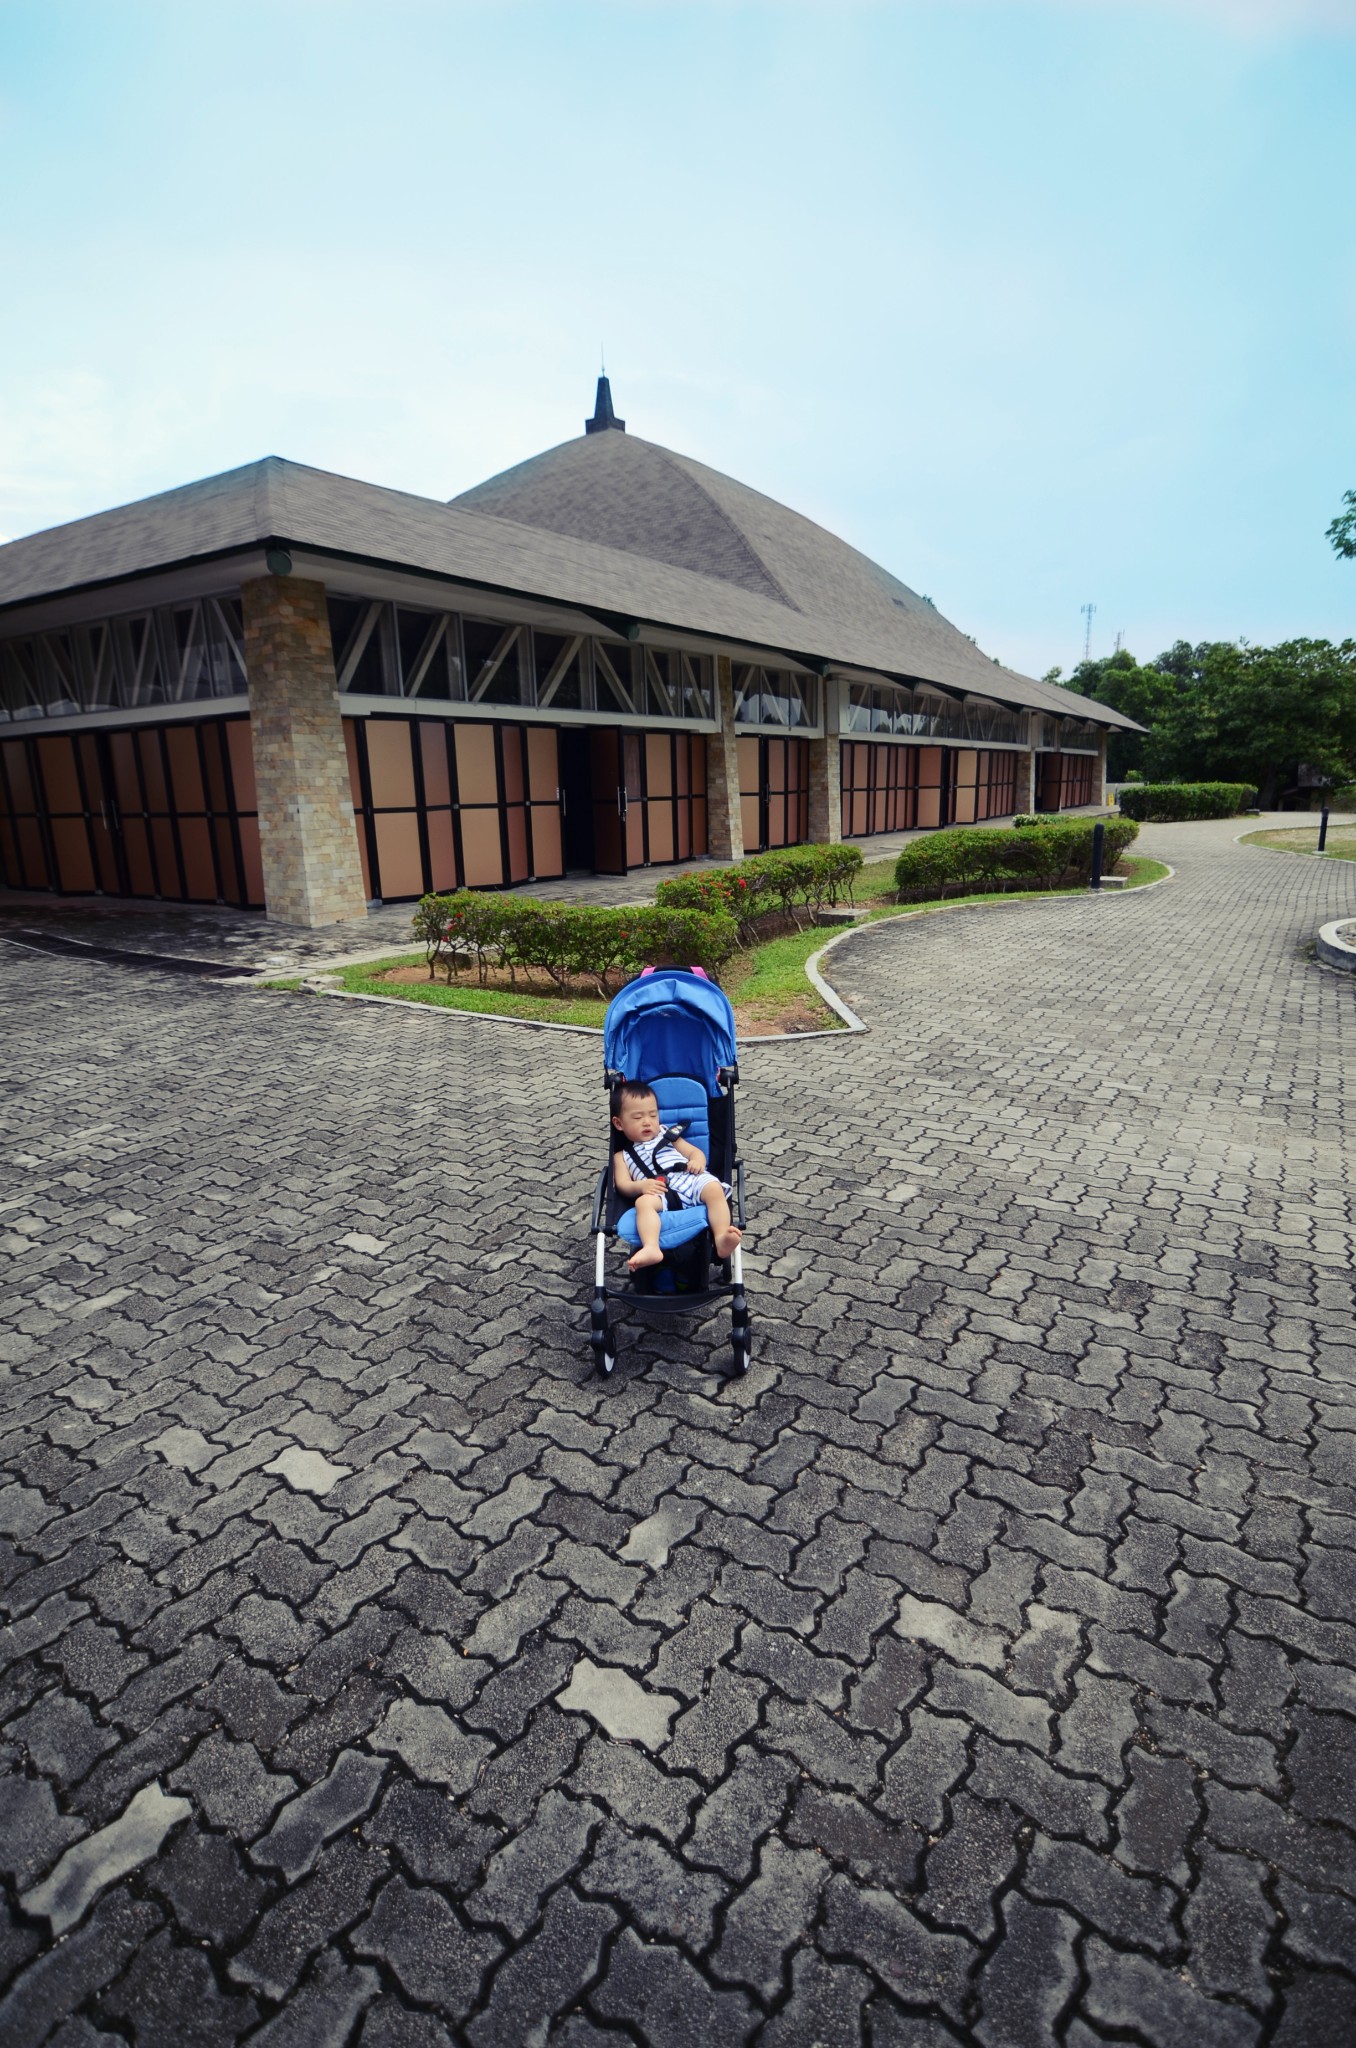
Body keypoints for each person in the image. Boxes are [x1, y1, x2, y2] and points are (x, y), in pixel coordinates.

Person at [611, 1081, 743, 1272]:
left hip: (688, 1180)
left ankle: (721, 1237)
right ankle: (651, 1247)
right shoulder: (622, 1156)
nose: (647, 1121)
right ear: (619, 1123)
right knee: (643, 1203)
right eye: (638, 1117)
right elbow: (622, 1184)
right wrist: (641, 1186)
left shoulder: (667, 1134)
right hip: (659, 1191)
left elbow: (694, 1152)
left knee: (714, 1188)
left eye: (653, 1115)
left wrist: (697, 1161)